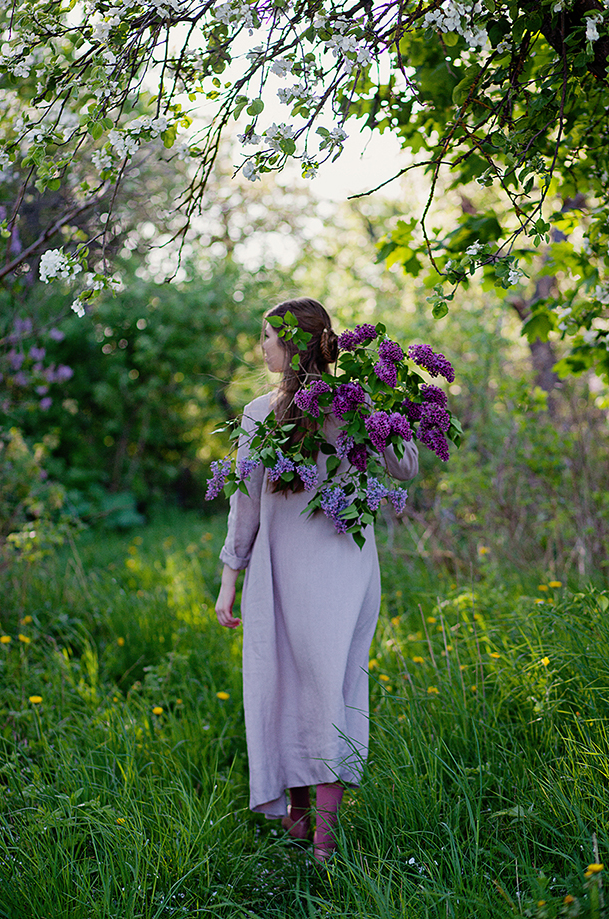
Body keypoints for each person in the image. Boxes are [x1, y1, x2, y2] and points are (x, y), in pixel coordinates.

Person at [215, 297, 419, 861]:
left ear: (291, 344)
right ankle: (305, 827)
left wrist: (388, 407)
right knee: (323, 689)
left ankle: (318, 842)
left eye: (267, 337)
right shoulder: (265, 413)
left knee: (305, 688)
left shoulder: (349, 405)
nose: (262, 348)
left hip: (311, 572)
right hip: (324, 572)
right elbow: (248, 503)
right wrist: (234, 575)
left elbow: (245, 506)